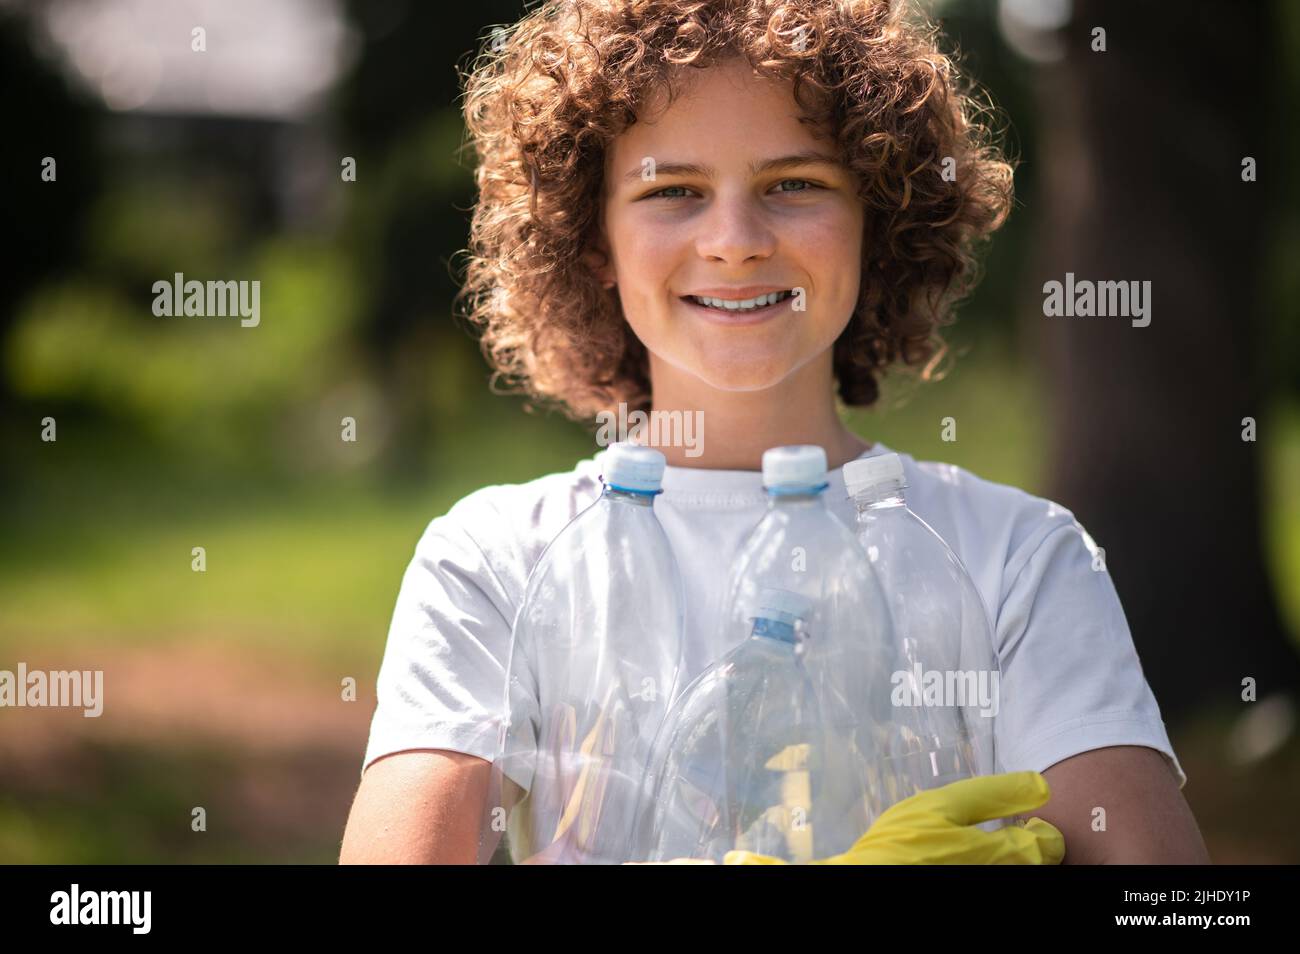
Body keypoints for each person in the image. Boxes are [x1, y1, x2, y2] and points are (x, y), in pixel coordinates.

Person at [339, 0, 1209, 864]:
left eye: (794, 184)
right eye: (671, 191)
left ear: (882, 217)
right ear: (592, 237)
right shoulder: (496, 561)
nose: (735, 241)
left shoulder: (1018, 558)